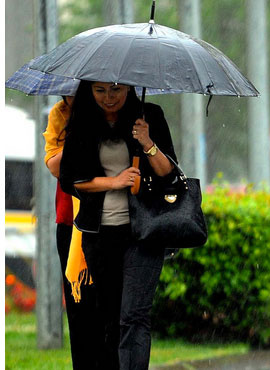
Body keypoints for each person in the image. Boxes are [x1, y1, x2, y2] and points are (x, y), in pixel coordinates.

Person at [59, 80, 176, 370]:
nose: (108, 98)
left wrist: (148, 143)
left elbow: (169, 173)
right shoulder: (83, 123)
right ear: (90, 92)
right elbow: (71, 179)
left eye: (115, 90)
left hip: (143, 233)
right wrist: (114, 182)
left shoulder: (149, 116)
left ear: (129, 89)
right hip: (99, 235)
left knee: (134, 316)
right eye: (100, 91)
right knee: (109, 315)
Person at [43, 95, 102, 369]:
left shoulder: (115, 111)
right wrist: (79, 136)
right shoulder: (61, 114)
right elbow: (55, 166)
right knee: (78, 308)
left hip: (110, 221)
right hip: (71, 222)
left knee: (106, 309)